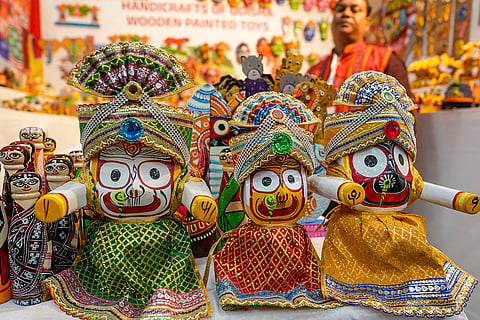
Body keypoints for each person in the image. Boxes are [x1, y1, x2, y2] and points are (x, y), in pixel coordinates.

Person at [307, 0, 413, 112]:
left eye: (355, 10)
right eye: (340, 9)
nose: (346, 14)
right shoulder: (314, 72)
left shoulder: (386, 60)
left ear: (367, 23)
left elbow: (405, 118)